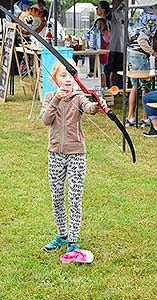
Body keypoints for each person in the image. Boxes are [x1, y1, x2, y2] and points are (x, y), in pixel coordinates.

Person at [41, 59, 106, 257]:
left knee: (75, 198)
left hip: (76, 155)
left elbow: (88, 107)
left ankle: (73, 239)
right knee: (57, 197)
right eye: (63, 76)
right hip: (55, 154)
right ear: (55, 79)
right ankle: (62, 234)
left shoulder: (78, 97)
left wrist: (97, 104)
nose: (67, 79)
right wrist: (57, 100)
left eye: (71, 75)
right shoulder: (50, 96)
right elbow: (46, 120)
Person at [105, 0, 125, 87]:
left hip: (119, 47)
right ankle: (112, 87)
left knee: (117, 70)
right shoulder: (113, 14)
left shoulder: (122, 13)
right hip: (115, 47)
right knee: (112, 70)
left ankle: (116, 87)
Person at [95, 18, 110, 87]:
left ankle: (103, 86)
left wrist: (102, 34)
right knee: (100, 71)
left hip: (104, 54)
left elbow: (107, 41)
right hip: (99, 53)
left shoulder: (105, 32)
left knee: (102, 71)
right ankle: (100, 85)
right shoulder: (97, 33)